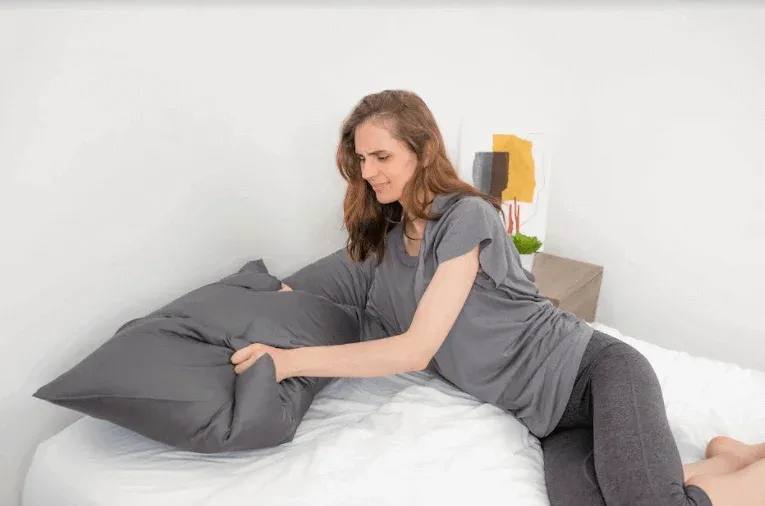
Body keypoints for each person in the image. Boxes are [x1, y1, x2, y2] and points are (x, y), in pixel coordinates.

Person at [230, 90, 765, 505]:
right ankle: (722, 460)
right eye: (361, 158)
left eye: (381, 156)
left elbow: (416, 349)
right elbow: (298, 290)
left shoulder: (466, 218)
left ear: (423, 151)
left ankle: (739, 469)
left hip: (594, 375)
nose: (367, 172)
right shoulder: (387, 243)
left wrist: (289, 362)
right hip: (547, 420)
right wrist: (246, 298)